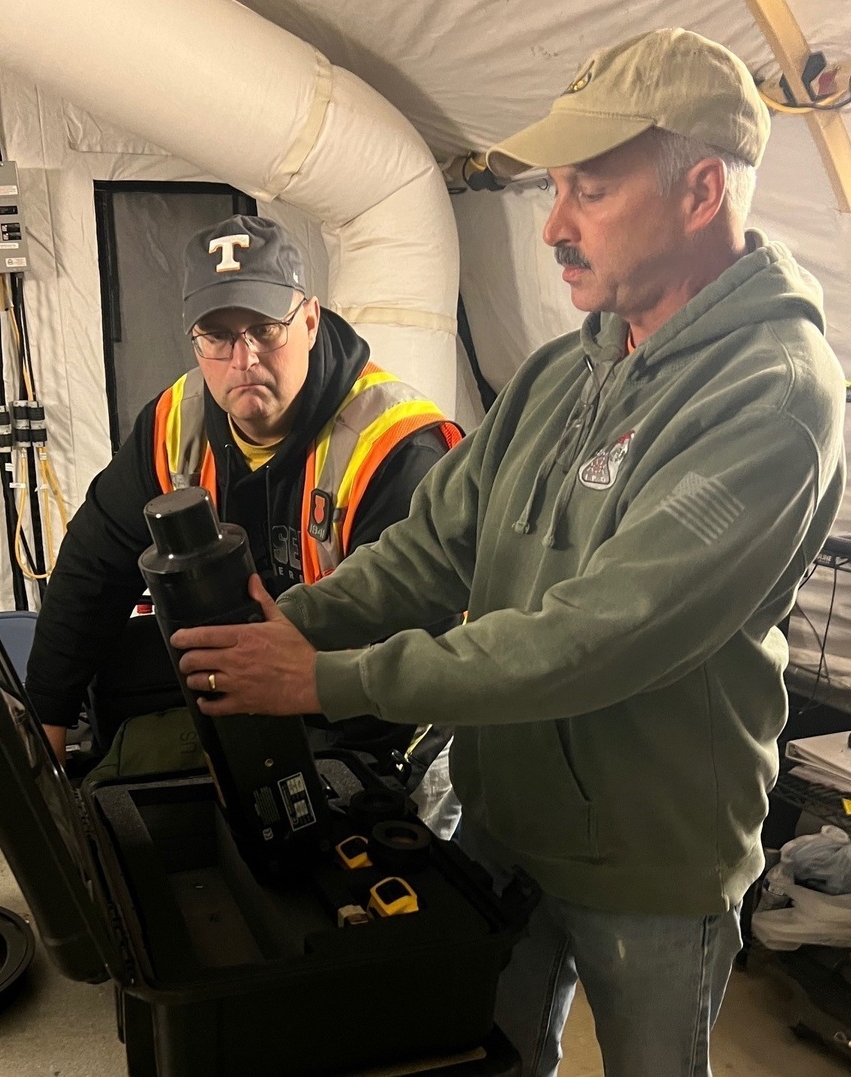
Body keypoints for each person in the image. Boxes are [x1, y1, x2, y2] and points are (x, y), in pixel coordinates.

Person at [168, 29, 847, 1077]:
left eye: (590, 192)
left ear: (700, 192)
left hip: (649, 860)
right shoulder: (562, 371)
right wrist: (286, 627)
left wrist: (325, 680)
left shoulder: (772, 397)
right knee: (492, 1057)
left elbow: (594, 640)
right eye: (552, 191)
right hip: (505, 821)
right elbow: (435, 548)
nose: (554, 229)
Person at [19, 213, 462, 799]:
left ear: (309, 320)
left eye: (264, 329)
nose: (243, 358)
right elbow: (94, 563)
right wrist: (45, 716)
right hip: (252, 690)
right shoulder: (175, 420)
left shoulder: (396, 447)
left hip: (367, 724)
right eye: (218, 336)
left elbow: (403, 651)